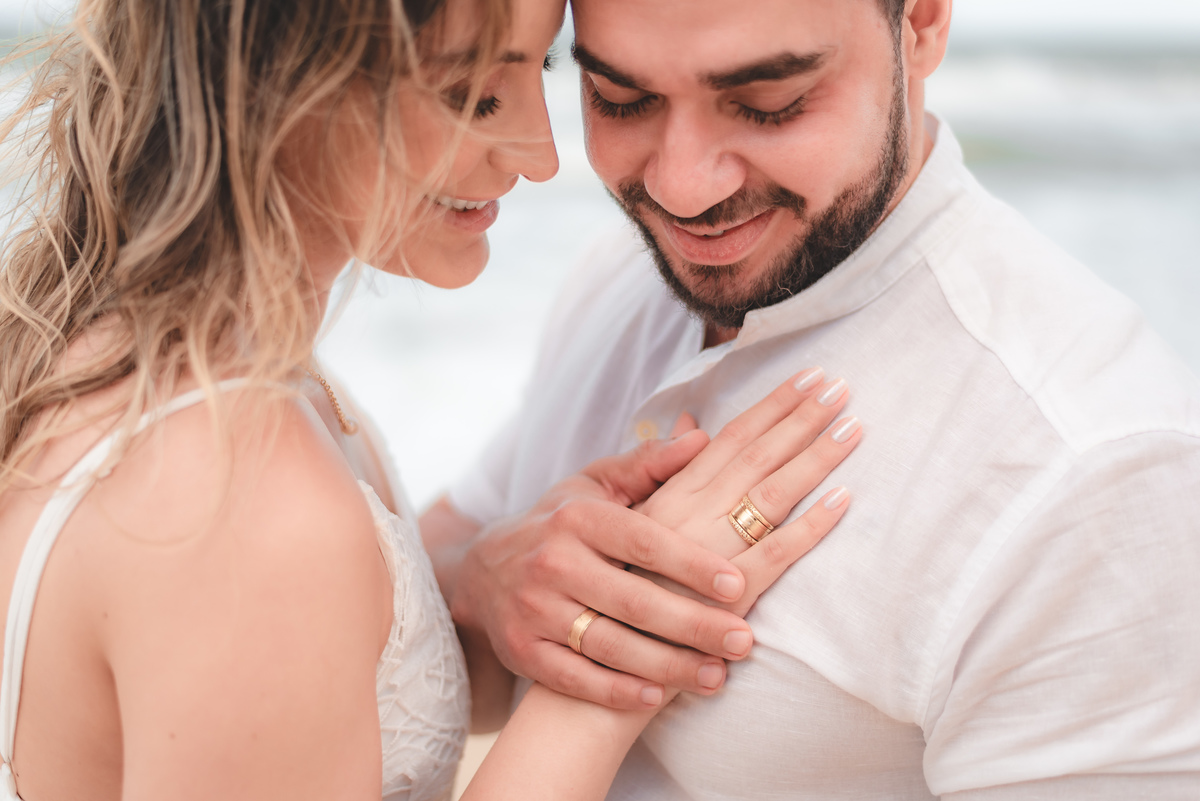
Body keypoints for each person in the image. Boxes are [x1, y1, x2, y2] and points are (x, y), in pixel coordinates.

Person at [0, 0, 862, 799]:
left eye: (548, 73)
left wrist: (481, 589)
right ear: (286, 83)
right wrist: (614, 675)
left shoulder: (123, 347)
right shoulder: (245, 506)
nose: (540, 155)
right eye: (473, 95)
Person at [424, 0, 1200, 797]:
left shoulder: (1092, 469)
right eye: (623, 100)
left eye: (769, 105)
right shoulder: (622, 278)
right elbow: (432, 572)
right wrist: (483, 585)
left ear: (923, 24)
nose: (682, 188)